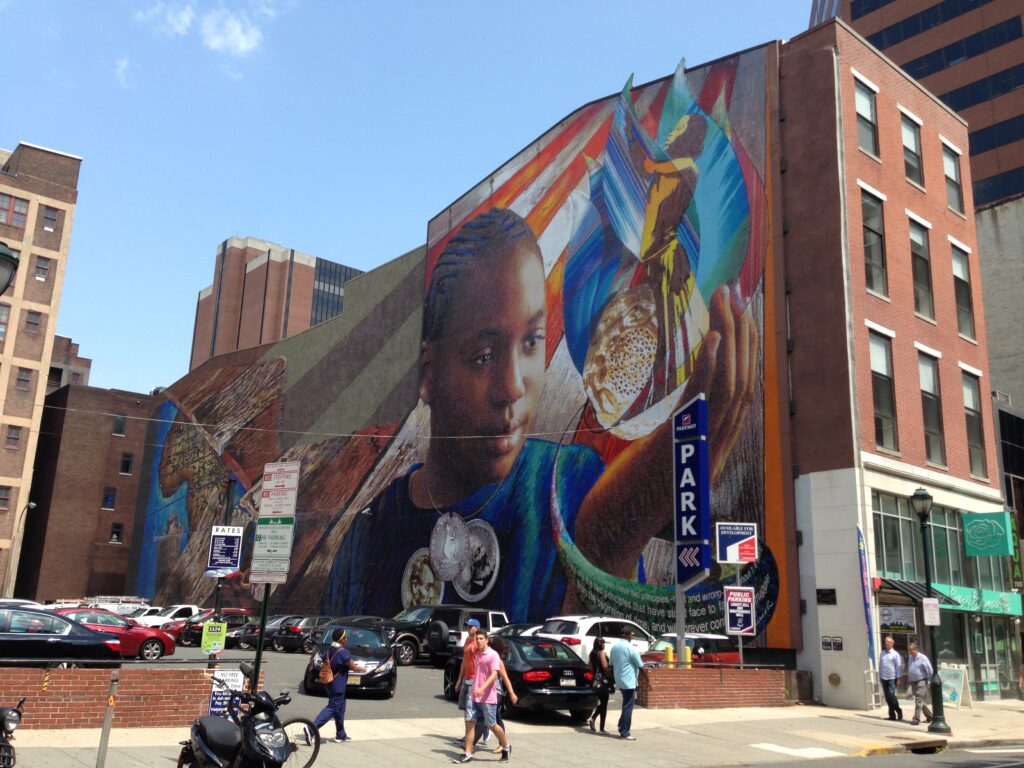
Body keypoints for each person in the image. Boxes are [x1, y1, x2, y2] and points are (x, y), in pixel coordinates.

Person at [326, 207, 755, 622]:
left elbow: (602, 650)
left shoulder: (573, 485)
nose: (513, 386)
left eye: (532, 341)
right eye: (482, 356)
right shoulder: (368, 536)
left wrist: (605, 550)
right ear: (427, 373)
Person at [453, 631, 511, 763]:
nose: (478, 641)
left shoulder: (493, 655)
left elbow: (494, 674)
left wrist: (482, 688)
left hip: (488, 697)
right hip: (473, 695)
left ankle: (506, 747)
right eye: (477, 639)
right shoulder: (478, 654)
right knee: (470, 722)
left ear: (486, 640)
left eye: (481, 638)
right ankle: (468, 754)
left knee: (492, 725)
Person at [313, 628, 366, 743]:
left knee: (340, 707)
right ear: (341, 639)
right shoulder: (343, 652)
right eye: (346, 637)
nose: (347, 638)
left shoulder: (329, 649)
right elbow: (353, 667)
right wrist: (362, 668)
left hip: (329, 682)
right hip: (338, 685)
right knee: (333, 707)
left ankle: (341, 735)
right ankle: (311, 729)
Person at [473, 636, 517, 750]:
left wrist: (512, 693)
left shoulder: (497, 660)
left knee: (493, 720)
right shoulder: (484, 656)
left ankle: (503, 745)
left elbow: (506, 679)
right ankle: (471, 744)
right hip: (486, 694)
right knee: (491, 719)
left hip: (495, 694)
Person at [610, 629, 643, 740]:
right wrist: (648, 681)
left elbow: (611, 665)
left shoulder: (614, 647)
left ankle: (621, 725)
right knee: (628, 706)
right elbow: (641, 666)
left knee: (626, 704)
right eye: (631, 635)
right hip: (629, 682)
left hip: (619, 680)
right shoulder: (631, 648)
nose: (632, 637)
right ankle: (625, 732)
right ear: (628, 636)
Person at [587, 637, 612, 732]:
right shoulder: (601, 653)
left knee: (603, 702)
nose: (604, 645)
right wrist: (610, 672)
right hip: (603, 680)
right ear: (600, 644)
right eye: (603, 643)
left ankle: (596, 722)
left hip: (595, 680)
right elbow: (605, 667)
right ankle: (599, 725)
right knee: (604, 703)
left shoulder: (592, 654)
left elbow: (590, 668)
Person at [906, 643, 934, 725]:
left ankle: (916, 719)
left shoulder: (922, 658)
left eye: (912, 650)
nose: (910, 652)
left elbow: (930, 670)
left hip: (921, 681)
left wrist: (929, 680)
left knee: (918, 700)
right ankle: (930, 716)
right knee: (920, 701)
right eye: (909, 650)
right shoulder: (910, 657)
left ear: (916, 649)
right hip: (913, 682)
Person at [879, 635, 903, 722]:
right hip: (884, 678)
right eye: (885, 641)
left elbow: (898, 667)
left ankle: (898, 710)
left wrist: (898, 678)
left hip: (892, 678)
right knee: (887, 697)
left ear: (892, 643)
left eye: (888, 642)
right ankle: (892, 715)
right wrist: (880, 676)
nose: (886, 643)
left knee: (892, 696)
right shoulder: (882, 653)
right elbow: (880, 665)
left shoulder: (895, 654)